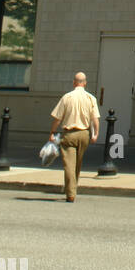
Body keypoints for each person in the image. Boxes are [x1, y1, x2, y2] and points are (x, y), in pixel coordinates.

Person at [47, 72, 100, 203]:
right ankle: (73, 188)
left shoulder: (67, 97)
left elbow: (57, 118)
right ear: (85, 83)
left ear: (74, 82)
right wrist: (95, 134)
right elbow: (95, 119)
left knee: (69, 165)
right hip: (84, 134)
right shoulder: (90, 98)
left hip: (69, 134)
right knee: (78, 163)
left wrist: (52, 132)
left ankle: (70, 193)